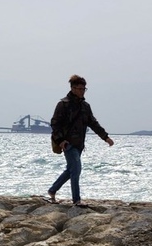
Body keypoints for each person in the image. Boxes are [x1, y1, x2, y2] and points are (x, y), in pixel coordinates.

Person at [47, 75, 113, 207]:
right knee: (76, 169)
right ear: (72, 88)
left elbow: (93, 123)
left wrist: (105, 137)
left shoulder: (85, 106)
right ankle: (76, 200)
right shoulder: (63, 104)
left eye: (84, 89)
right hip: (67, 143)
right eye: (79, 88)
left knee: (71, 170)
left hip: (79, 145)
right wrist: (60, 140)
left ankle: (52, 190)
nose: (82, 91)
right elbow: (55, 124)